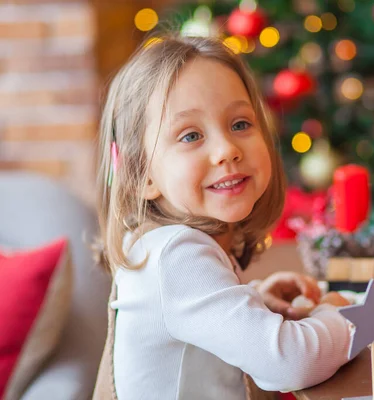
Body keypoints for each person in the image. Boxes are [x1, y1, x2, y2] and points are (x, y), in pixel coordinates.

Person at [93, 35, 353, 400]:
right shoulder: (176, 256)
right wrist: (345, 319)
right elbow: (288, 363)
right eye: (191, 135)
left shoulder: (161, 242)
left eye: (240, 124)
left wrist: (255, 301)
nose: (226, 150)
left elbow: (190, 329)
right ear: (142, 175)